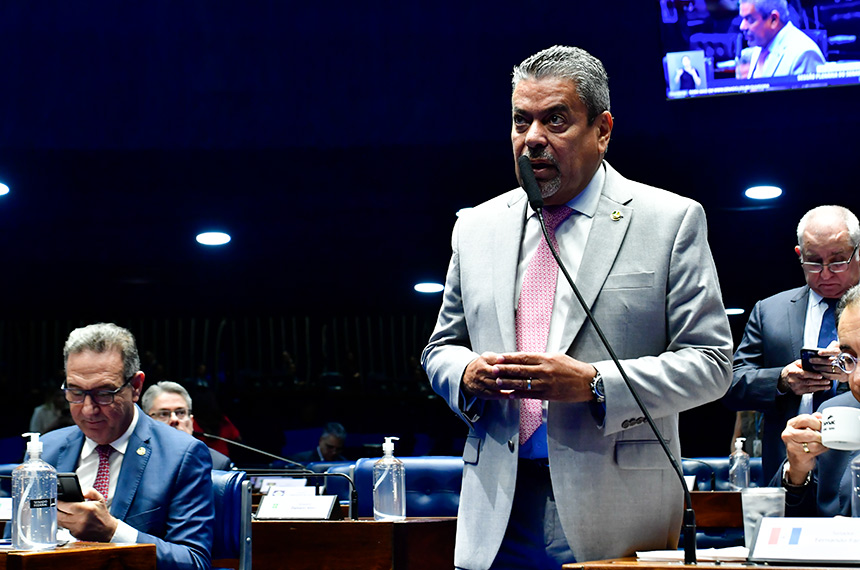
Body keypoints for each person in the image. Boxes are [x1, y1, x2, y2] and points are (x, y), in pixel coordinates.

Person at [420, 45, 733, 569]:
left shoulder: (669, 220)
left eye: (556, 119)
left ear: (603, 130)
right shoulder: (475, 227)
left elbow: (713, 364)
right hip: (495, 507)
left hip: (617, 512)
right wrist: (467, 372)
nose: (533, 137)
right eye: (522, 120)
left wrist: (593, 382)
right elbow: (439, 348)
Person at [43, 323, 214, 570]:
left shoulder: (182, 455)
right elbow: (14, 543)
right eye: (76, 392)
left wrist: (112, 532)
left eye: (104, 393)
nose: (89, 409)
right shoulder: (47, 448)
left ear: (135, 386)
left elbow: (194, 562)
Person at [724, 205, 859, 482]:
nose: (825, 274)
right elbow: (730, 384)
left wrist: (851, 368)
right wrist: (783, 380)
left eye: (837, 261)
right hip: (790, 466)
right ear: (799, 255)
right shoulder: (769, 311)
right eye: (813, 262)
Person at [776, 284, 860, 515]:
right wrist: (797, 472)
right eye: (850, 358)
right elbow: (785, 526)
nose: (857, 379)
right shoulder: (834, 412)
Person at [141, 381, 234, 470]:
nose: (174, 419)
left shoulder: (216, 463)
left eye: (181, 412)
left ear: (191, 421)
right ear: (146, 422)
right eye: (163, 414)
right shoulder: (133, 459)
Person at [738, 0, 824, 78]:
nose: (742, 27)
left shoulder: (804, 54)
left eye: (750, 20)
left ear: (773, 20)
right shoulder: (759, 46)